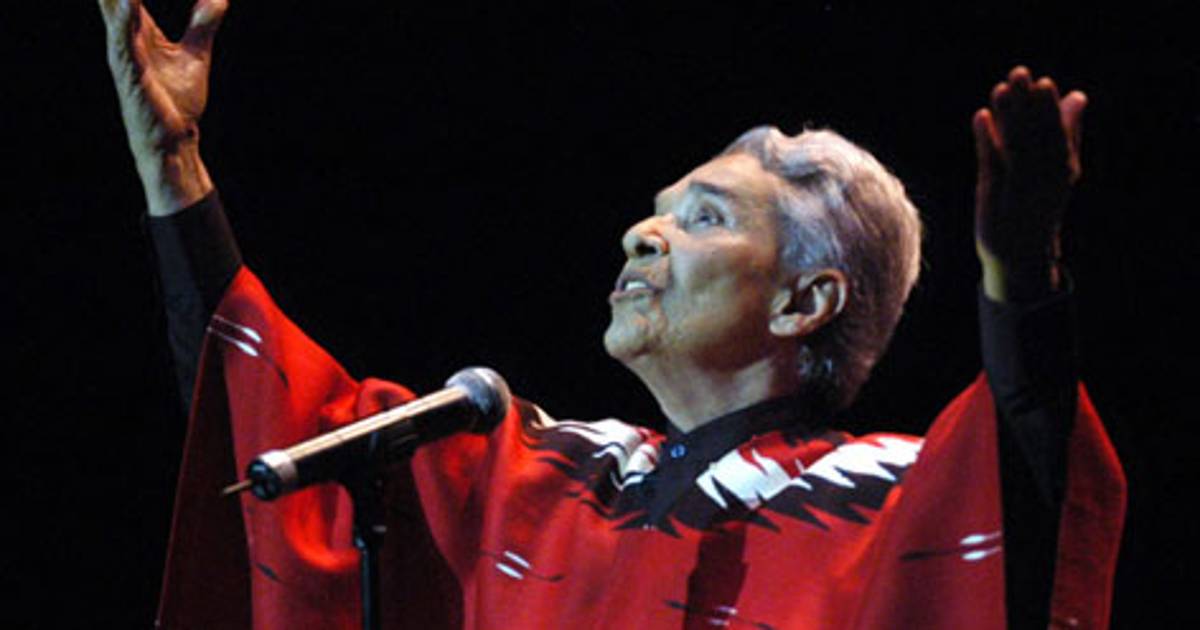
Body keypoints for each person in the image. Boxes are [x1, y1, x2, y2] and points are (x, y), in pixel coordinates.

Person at [100, 1, 1126, 628]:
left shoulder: (888, 497)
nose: (644, 233)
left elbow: (1029, 482)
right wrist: (174, 168)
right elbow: (264, 412)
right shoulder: (538, 481)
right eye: (658, 210)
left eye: (706, 217)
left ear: (805, 301)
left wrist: (1021, 273)